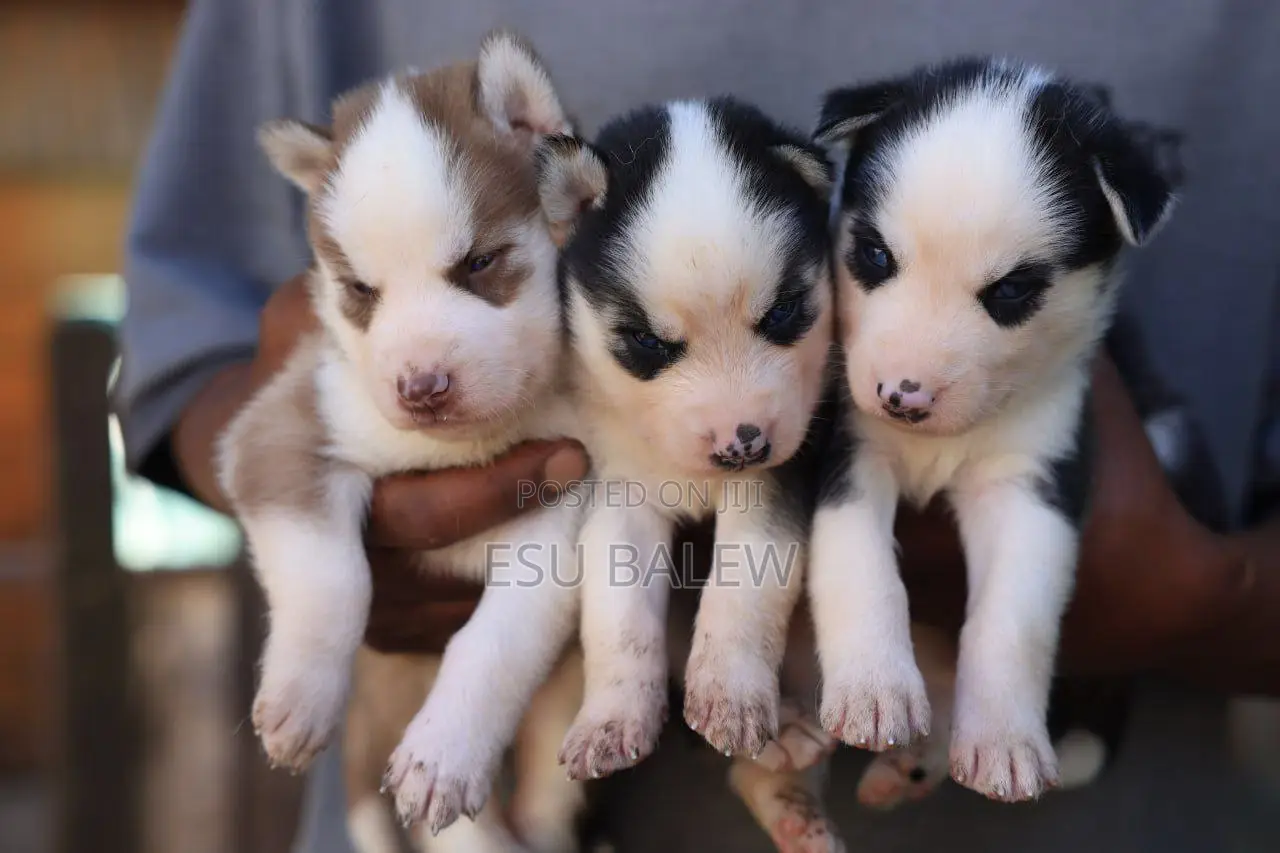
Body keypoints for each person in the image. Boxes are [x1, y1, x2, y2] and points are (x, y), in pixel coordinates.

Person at [115, 1, 1280, 850]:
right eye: (868, 265)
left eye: (792, 314)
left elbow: (777, 502)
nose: (734, 422)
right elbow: (189, 353)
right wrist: (329, 505)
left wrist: (1207, 601)